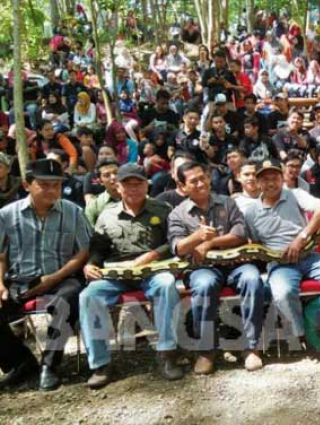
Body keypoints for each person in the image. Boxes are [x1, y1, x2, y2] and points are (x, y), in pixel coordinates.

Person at [79, 164, 184, 388]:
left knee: (167, 285)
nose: (134, 189)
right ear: (118, 186)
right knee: (88, 296)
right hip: (117, 272)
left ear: (147, 185)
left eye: (139, 184)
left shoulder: (162, 209)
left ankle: (167, 353)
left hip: (153, 269)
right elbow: (98, 248)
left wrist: (153, 255)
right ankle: (101, 364)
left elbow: (174, 241)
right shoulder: (107, 215)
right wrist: (90, 265)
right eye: (128, 184)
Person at [0, 159, 91, 390]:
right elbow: (0, 255)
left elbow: (82, 251)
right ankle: (20, 362)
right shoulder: (6, 215)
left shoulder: (73, 212)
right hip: (18, 281)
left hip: (61, 277)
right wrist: (0, 284)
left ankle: (49, 365)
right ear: (27, 184)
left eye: (57, 185)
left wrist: (54, 278)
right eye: (44, 184)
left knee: (69, 297)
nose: (52, 190)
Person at [244, 159, 320, 348]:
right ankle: (301, 334)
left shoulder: (295, 194)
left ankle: (310, 317)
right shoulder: (251, 212)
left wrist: (301, 238)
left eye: (275, 178)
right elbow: (255, 243)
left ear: (282, 178)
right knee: (283, 294)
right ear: (258, 182)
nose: (271, 183)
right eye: (266, 179)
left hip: (309, 257)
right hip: (280, 264)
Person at [168, 162, 265, 374]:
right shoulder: (178, 214)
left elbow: (240, 233)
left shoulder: (227, 202)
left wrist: (211, 242)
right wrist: (197, 237)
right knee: (204, 284)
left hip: (235, 265)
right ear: (182, 186)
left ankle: (250, 347)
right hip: (202, 268)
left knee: (252, 278)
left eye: (203, 177)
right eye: (194, 181)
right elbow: (178, 247)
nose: (201, 183)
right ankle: (206, 351)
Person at [84, 158, 120, 226]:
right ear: (100, 181)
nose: (113, 177)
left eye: (116, 173)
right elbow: (89, 232)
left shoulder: (136, 198)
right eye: (107, 175)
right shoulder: (94, 206)